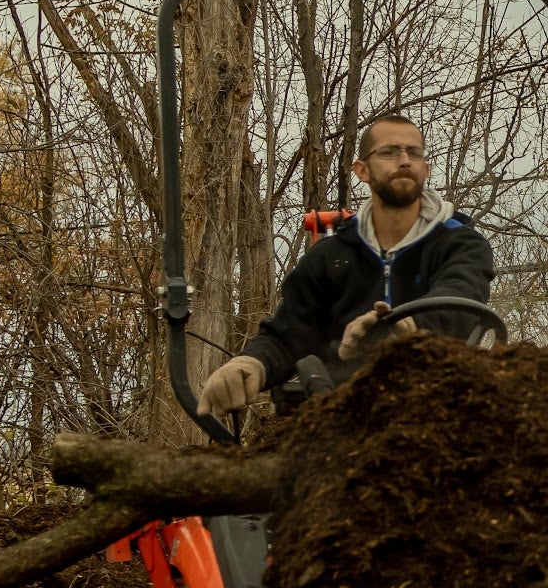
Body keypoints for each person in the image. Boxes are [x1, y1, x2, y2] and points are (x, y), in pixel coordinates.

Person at [197, 112, 496, 415]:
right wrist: (250, 364)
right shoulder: (327, 257)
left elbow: (460, 298)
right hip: (339, 416)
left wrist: (406, 328)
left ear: (425, 169)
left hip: (444, 412)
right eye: (389, 152)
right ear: (362, 170)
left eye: (413, 153)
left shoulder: (461, 243)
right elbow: (289, 336)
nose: (404, 160)